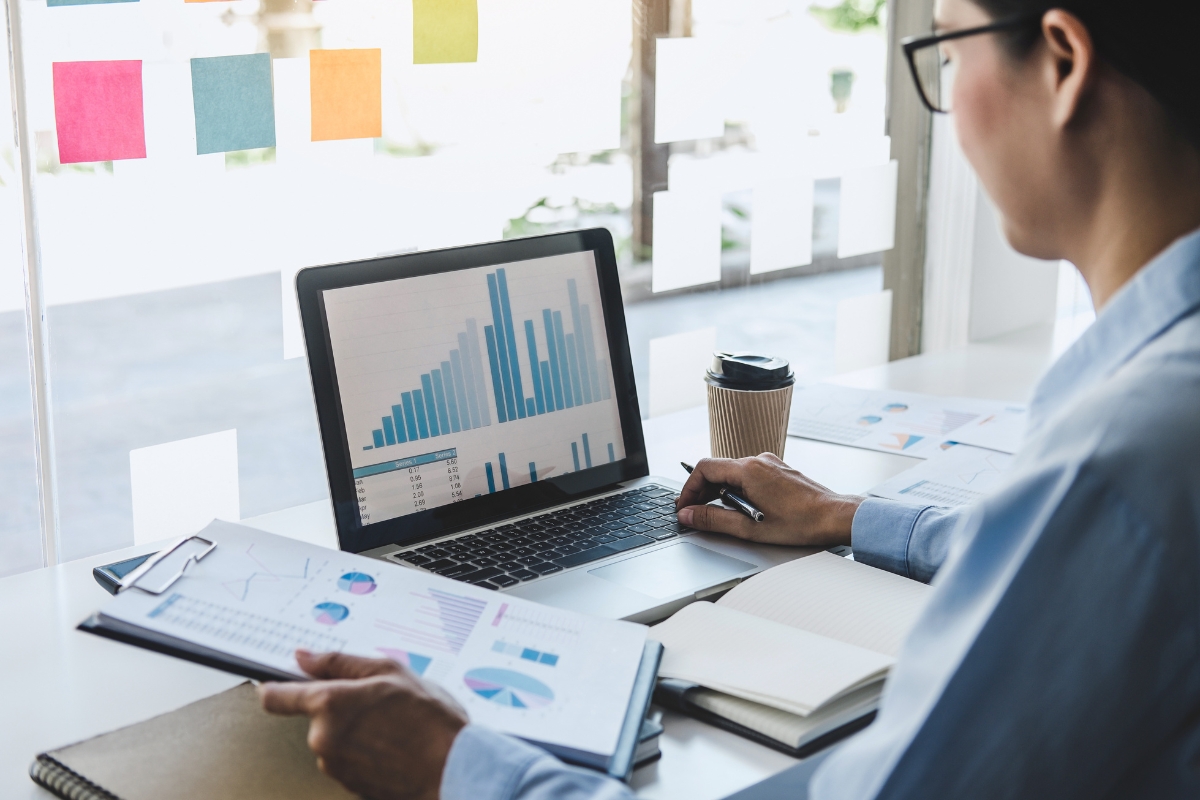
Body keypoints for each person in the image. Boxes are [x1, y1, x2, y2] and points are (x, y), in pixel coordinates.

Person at [260, 0, 1200, 796]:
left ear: (1065, 63)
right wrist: (846, 516)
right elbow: (1065, 552)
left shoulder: (1121, 461)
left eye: (946, 54)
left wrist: (458, 765)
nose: (949, 104)